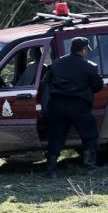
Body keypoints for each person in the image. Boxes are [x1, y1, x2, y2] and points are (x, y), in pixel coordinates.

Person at [42, 37, 104, 179]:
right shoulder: (89, 66)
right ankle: (90, 167)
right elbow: (98, 86)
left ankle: (51, 170)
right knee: (89, 135)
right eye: (86, 50)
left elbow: (46, 82)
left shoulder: (56, 63)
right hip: (79, 106)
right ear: (83, 50)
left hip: (57, 105)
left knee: (56, 137)